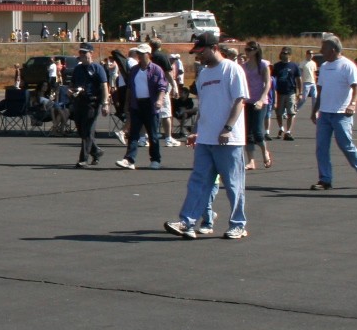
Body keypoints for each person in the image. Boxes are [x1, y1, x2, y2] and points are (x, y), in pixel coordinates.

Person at [164, 32, 250, 239]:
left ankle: (238, 224)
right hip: (206, 139)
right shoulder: (203, 74)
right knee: (199, 181)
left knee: (233, 184)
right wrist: (196, 131)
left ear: (214, 48)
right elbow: (204, 106)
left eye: (201, 52)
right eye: (196, 53)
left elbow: (240, 100)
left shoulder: (232, 69)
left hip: (229, 140)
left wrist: (228, 128)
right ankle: (187, 222)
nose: (198, 57)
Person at [311, 35, 357, 190]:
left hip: (342, 113)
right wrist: (315, 109)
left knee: (345, 145)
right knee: (321, 147)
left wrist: (353, 104)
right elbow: (320, 89)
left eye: (324, 49)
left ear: (333, 49)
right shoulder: (323, 67)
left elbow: (356, 87)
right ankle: (325, 179)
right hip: (325, 113)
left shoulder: (347, 65)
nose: (321, 52)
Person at [115, 45, 166, 170]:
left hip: (151, 104)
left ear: (149, 54)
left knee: (153, 134)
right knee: (133, 134)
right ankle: (129, 159)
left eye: (142, 54)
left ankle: (155, 159)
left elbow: (162, 87)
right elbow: (129, 88)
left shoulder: (156, 69)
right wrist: (127, 104)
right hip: (137, 104)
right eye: (138, 54)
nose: (140, 56)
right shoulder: (134, 70)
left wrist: (159, 100)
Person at [65, 42, 108, 167]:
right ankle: (96, 151)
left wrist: (105, 103)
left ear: (91, 53)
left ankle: (83, 159)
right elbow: (72, 84)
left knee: (88, 130)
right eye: (80, 52)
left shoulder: (97, 68)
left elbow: (104, 86)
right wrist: (70, 90)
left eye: (85, 52)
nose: (82, 54)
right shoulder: (78, 69)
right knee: (81, 130)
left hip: (92, 102)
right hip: (79, 101)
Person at [242, 41, 274, 171]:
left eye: (249, 49)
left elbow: (267, 84)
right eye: (246, 49)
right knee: (247, 132)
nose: (247, 52)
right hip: (247, 101)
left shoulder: (263, 65)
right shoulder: (243, 66)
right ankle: (251, 161)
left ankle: (265, 152)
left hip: (260, 101)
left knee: (257, 131)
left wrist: (261, 100)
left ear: (255, 50)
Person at [271, 46, 301, 140]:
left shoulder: (294, 66)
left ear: (290, 54)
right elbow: (272, 79)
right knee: (279, 112)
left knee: (291, 112)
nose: (284, 55)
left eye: (286, 53)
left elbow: (298, 79)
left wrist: (300, 92)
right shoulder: (277, 66)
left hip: (290, 92)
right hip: (279, 92)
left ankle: (288, 132)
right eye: (283, 53)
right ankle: (281, 128)